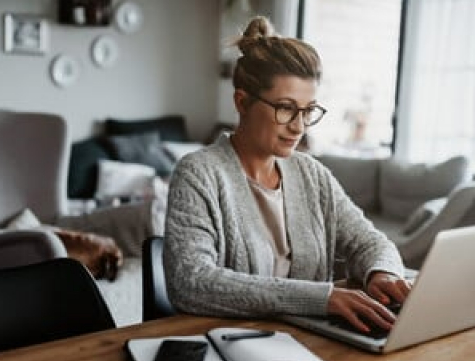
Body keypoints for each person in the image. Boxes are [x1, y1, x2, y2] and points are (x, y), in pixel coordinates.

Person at [163, 16, 411, 333]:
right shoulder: (199, 174)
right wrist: (323, 298)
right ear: (242, 102)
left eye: (308, 110)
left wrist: (382, 273)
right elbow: (192, 282)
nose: (299, 126)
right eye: (285, 108)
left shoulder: (311, 173)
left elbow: (371, 243)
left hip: (310, 342)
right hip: (230, 347)